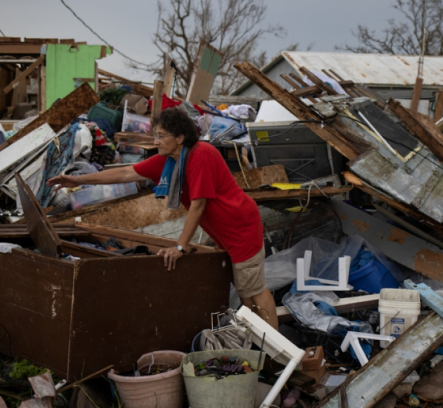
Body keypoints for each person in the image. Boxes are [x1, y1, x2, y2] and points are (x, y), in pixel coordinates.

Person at [46, 108, 279, 329]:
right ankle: (265, 343)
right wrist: (78, 181)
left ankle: (278, 353)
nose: (155, 141)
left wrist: (180, 246)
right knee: (245, 293)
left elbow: (198, 204)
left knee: (254, 291)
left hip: (240, 227)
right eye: (155, 136)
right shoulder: (169, 161)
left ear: (179, 137)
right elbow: (127, 172)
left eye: (160, 136)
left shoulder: (202, 155)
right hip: (223, 231)